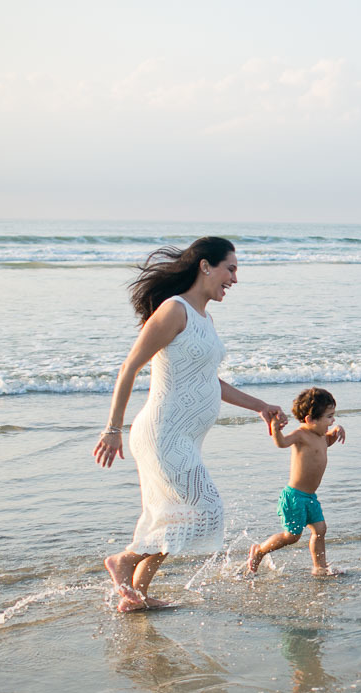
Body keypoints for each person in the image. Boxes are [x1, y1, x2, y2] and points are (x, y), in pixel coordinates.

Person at [94, 237, 286, 611]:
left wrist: (260, 406)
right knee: (206, 509)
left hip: (184, 437)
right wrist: (113, 429)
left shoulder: (205, 319)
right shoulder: (174, 310)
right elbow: (129, 367)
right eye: (230, 269)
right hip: (162, 434)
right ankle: (124, 561)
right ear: (205, 266)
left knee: (173, 516)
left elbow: (209, 381)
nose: (234, 279)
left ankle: (137, 596)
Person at [246, 387, 346, 577]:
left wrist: (336, 432)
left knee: (320, 530)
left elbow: (327, 443)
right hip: (294, 497)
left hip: (310, 497)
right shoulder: (301, 435)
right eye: (329, 417)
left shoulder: (321, 436)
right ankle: (259, 550)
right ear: (310, 420)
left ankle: (320, 567)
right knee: (291, 536)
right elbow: (282, 443)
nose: (333, 420)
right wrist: (276, 429)